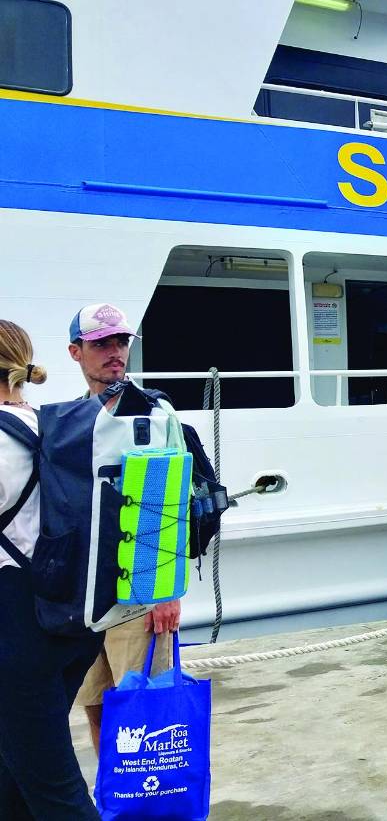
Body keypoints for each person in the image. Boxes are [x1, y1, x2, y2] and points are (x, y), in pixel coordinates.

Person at [66, 303, 217, 760]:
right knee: (95, 704)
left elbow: (171, 502)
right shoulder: (70, 418)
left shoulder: (155, 415)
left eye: (121, 342)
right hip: (85, 599)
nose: (115, 353)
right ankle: (113, 796)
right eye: (102, 344)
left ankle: (147, 799)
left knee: (145, 716)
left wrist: (167, 595)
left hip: (138, 597)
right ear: (76, 352)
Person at [0, 320, 104, 818]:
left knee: (54, 789)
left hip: (14, 630)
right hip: (74, 618)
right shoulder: (58, 427)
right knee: (16, 765)